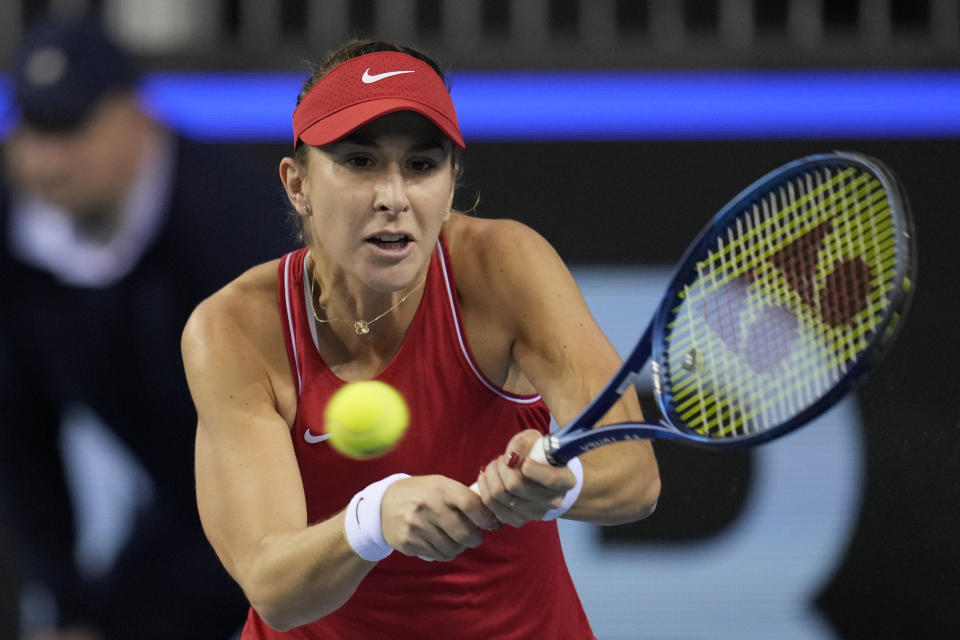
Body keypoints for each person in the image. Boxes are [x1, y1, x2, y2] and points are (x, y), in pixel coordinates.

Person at [181, 39, 661, 639]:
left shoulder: (503, 267)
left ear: (452, 183)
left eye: (422, 165)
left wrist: (557, 488)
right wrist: (374, 517)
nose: (394, 196)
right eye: (359, 161)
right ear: (297, 184)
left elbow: (634, 474)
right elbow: (273, 586)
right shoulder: (234, 329)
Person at [0, 15, 294, 640]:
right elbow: (20, 433)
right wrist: (68, 606)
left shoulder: (237, 223)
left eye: (71, 129)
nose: (47, 160)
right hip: (179, 510)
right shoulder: (12, 237)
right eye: (32, 129)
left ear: (135, 116)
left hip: (296, 501)